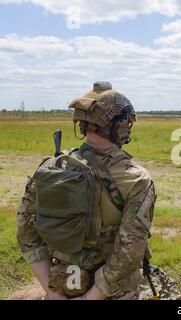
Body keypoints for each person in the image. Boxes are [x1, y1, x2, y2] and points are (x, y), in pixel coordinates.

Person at [16, 82, 156, 300]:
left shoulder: (51, 168)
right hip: (112, 294)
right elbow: (130, 251)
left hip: (62, 285)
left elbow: (26, 233)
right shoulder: (136, 179)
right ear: (118, 126)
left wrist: (51, 292)